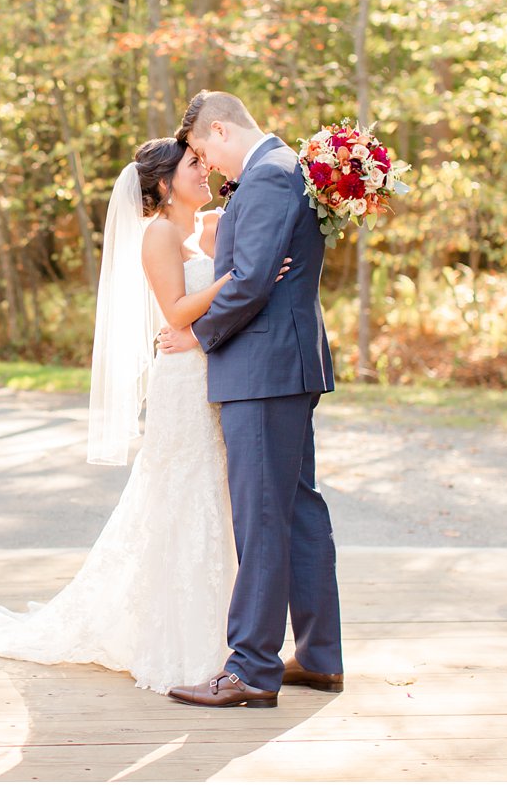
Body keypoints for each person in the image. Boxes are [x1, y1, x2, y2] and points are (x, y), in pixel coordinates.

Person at [0, 136, 289, 694]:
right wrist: (243, 277)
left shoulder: (205, 228)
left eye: (203, 161)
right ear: (161, 184)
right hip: (182, 383)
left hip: (209, 369)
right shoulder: (157, 234)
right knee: (184, 495)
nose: (205, 172)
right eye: (193, 166)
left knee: (215, 502)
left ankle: (231, 637)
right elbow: (175, 311)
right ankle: (184, 642)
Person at [163, 90, 344, 709]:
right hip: (283, 364)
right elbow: (258, 270)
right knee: (295, 508)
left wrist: (196, 334)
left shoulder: (267, 174)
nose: (205, 166)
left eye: (199, 151)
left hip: (263, 367)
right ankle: (319, 658)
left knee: (262, 516)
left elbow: (251, 281)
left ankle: (251, 669)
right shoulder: (284, 169)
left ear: (219, 130)